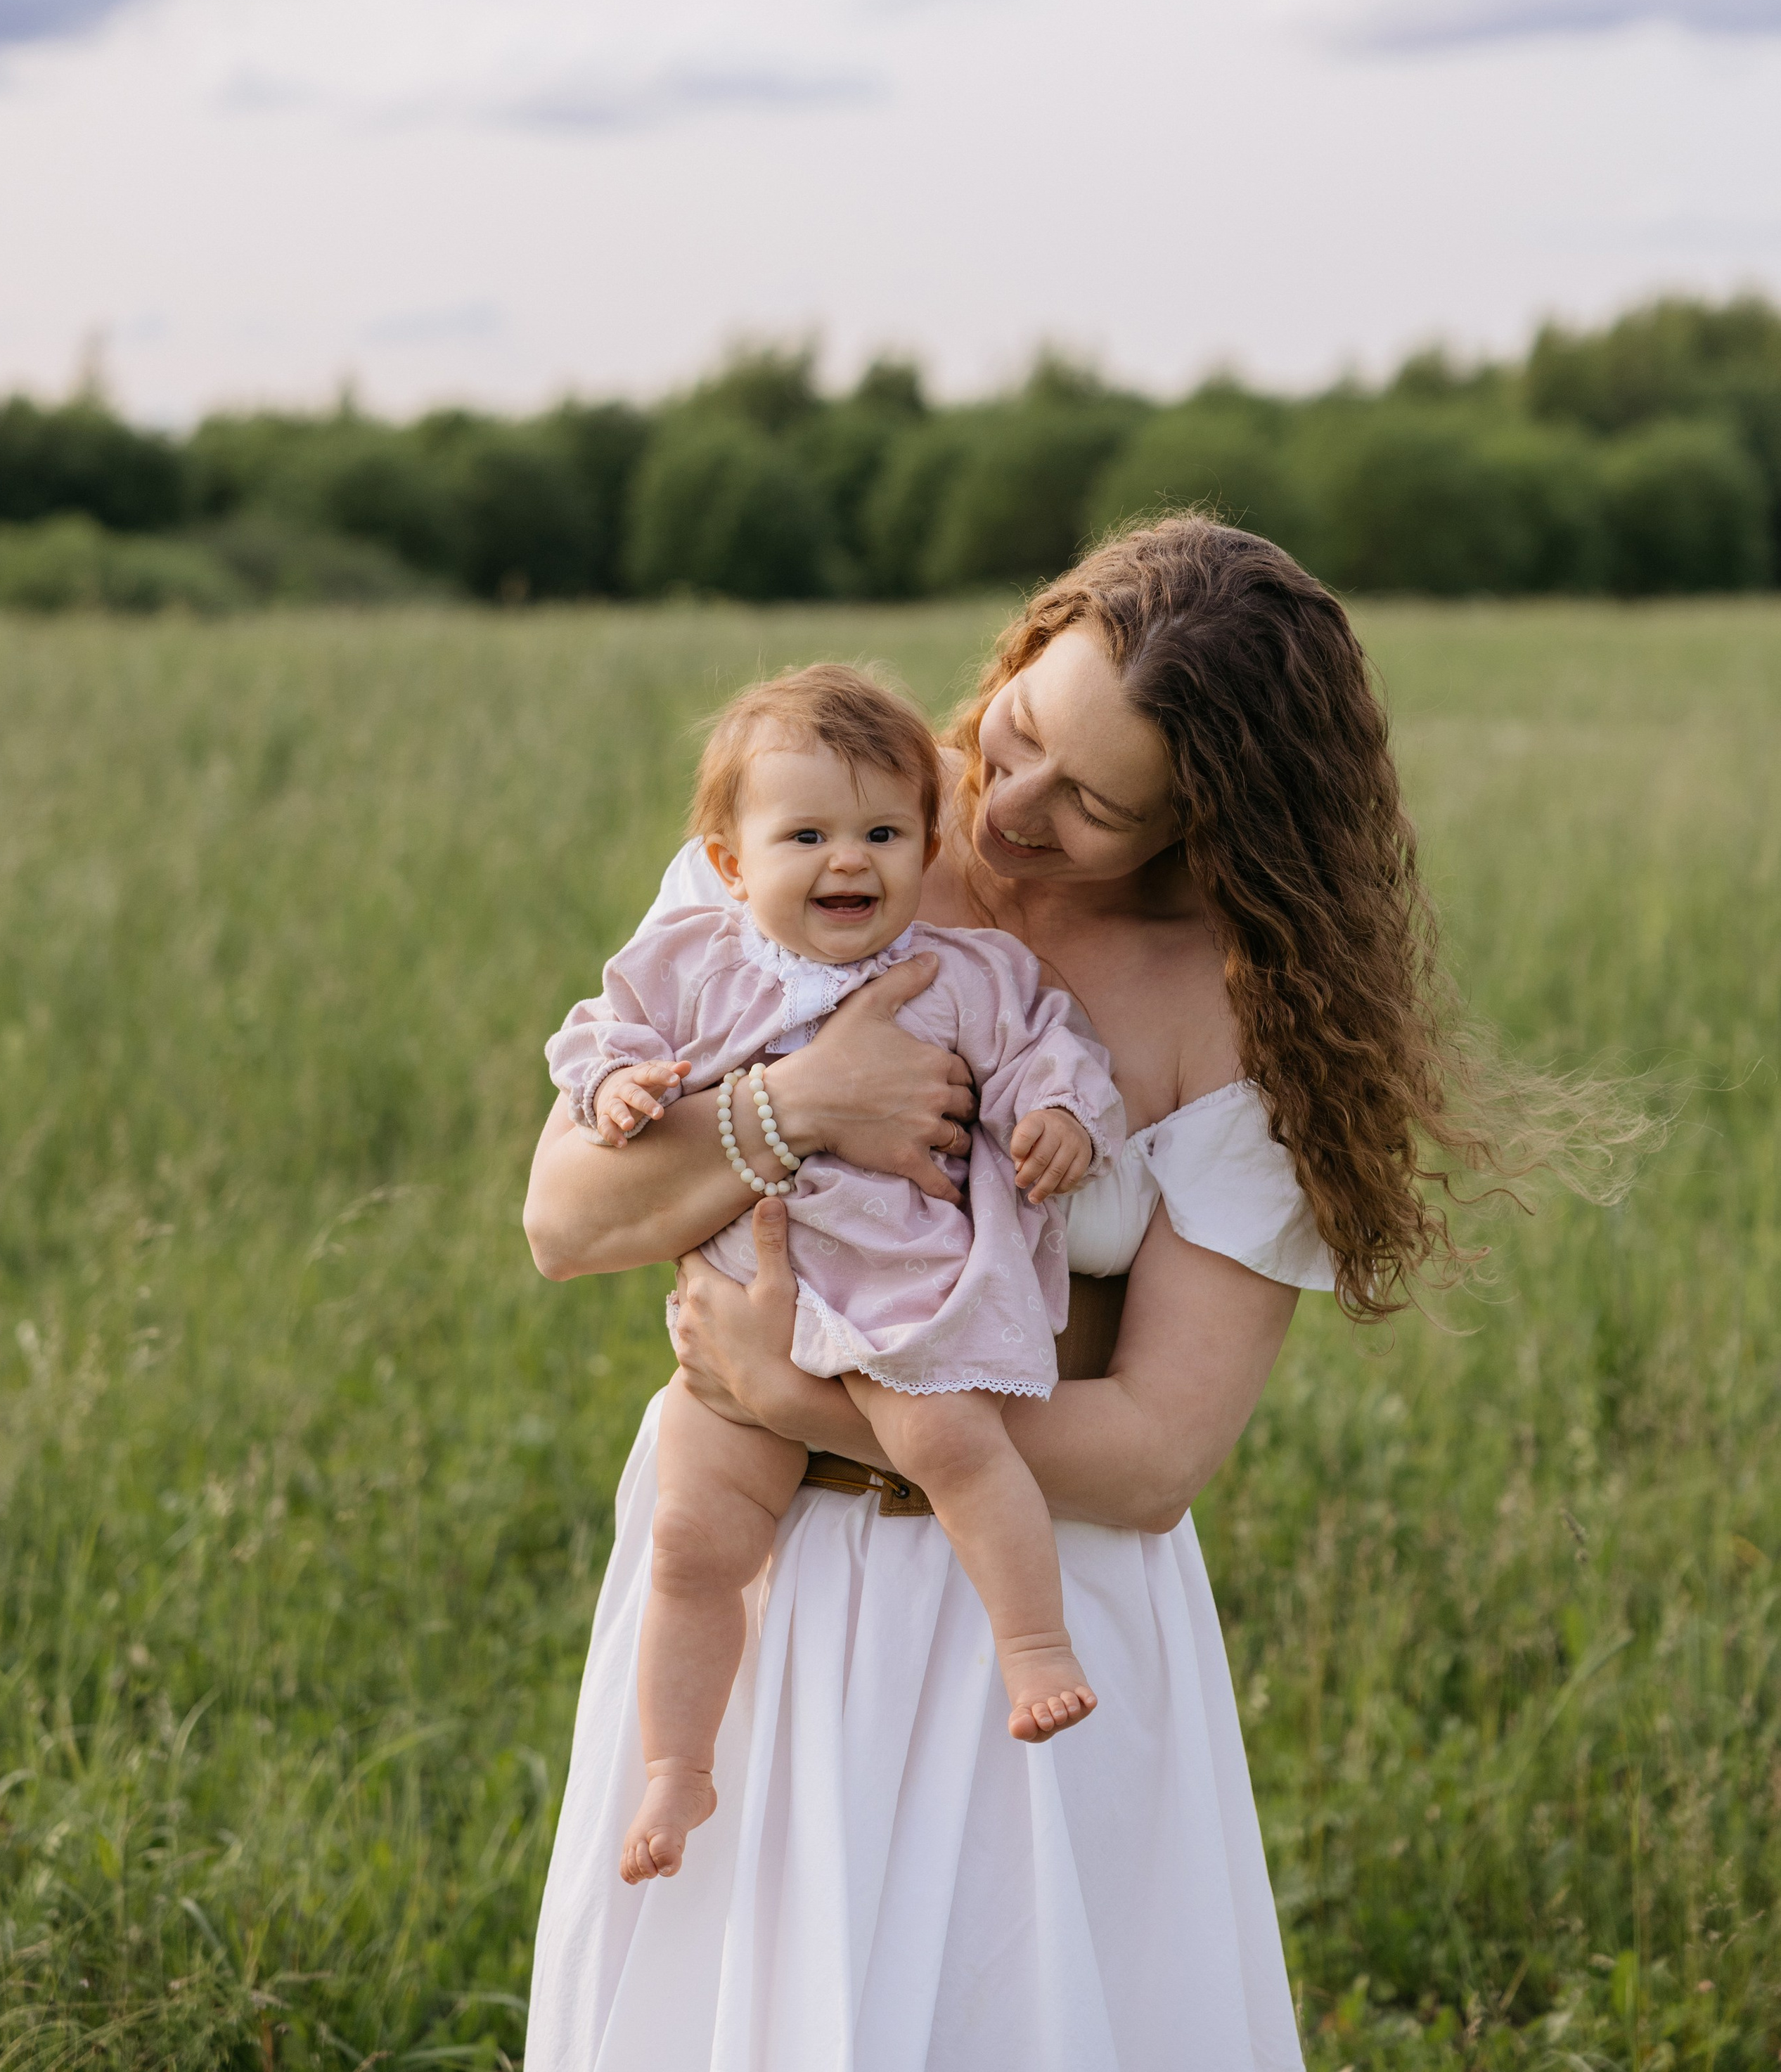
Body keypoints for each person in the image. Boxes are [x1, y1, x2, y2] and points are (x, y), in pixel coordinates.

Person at [521, 516, 1499, 2072]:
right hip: (759, 1569)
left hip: (1028, 1609)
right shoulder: (825, 818)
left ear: (1208, 825)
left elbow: (1164, 1447)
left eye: (1095, 804)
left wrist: (805, 1400)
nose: (1008, 804)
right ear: (1022, 647)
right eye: (1016, 729)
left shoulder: (1242, 1011)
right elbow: (565, 1219)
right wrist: (801, 1107)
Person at [544, 665, 1121, 1884]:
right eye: (805, 834)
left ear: (926, 842)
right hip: (732, 1324)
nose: (846, 860)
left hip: (896, 1318)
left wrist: (1059, 1114)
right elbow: (598, 1032)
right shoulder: (699, 960)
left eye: (880, 834)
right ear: (735, 860)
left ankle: (1033, 1644)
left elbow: (1044, 1051)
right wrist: (617, 1087)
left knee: (960, 1449)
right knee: (692, 1543)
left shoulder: (965, 973)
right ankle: (676, 1769)